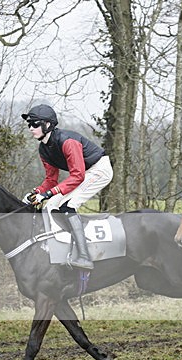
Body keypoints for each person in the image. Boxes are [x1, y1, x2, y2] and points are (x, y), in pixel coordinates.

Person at [22, 104, 113, 269]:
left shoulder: (67, 141)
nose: (30, 128)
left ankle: (85, 256)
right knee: (50, 205)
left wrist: (49, 193)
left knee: (68, 205)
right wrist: (37, 193)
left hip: (100, 170)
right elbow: (51, 180)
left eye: (35, 124)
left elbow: (78, 175)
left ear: (48, 125)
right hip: (85, 173)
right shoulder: (44, 149)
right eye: (29, 124)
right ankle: (59, 247)